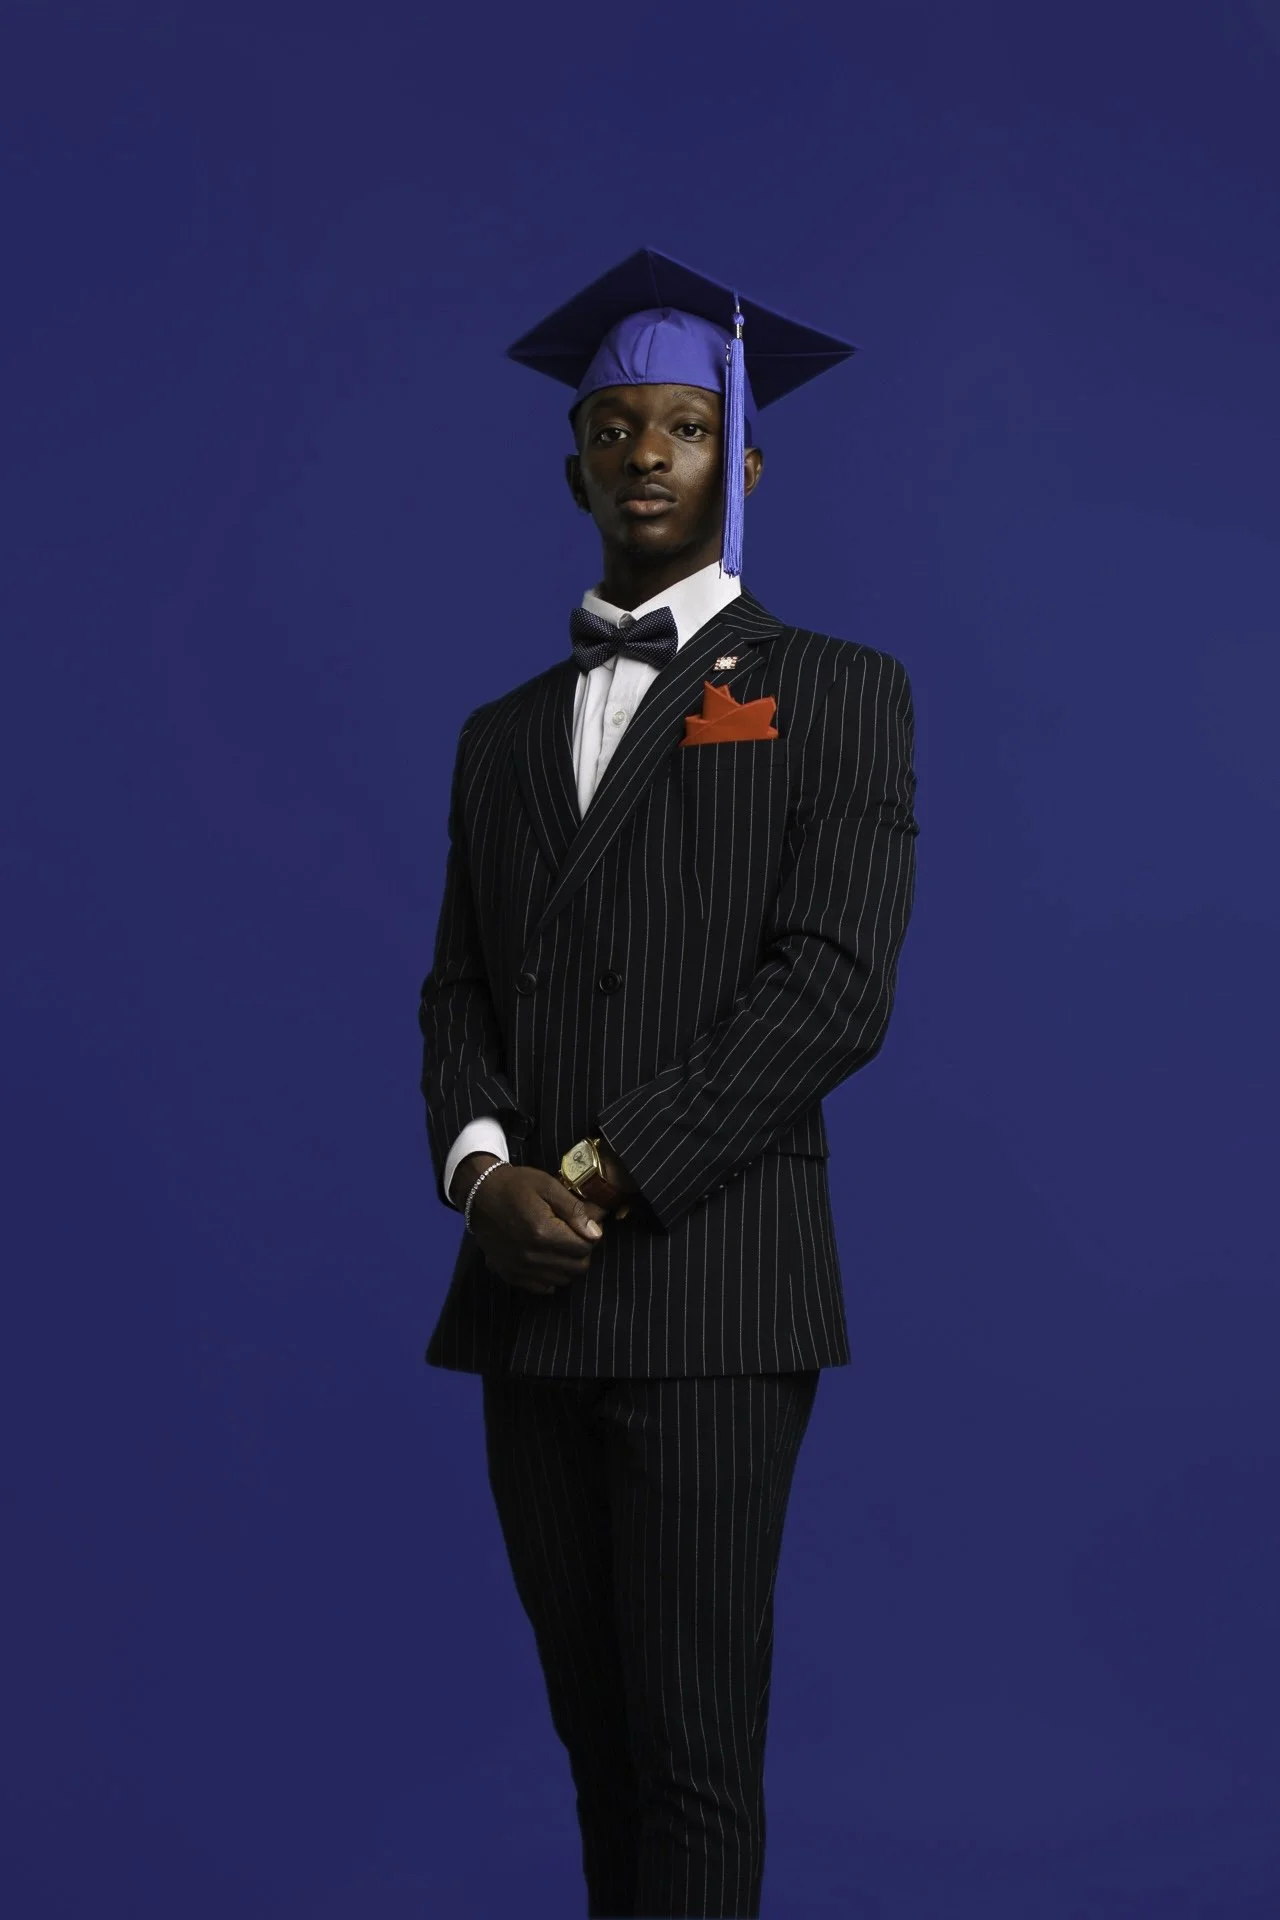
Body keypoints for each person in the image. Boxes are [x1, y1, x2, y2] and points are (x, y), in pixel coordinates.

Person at [417, 246, 920, 1920]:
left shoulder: (836, 694)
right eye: (616, 425)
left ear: (744, 463)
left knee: (696, 1758)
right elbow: (459, 989)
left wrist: (610, 1170)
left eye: (685, 428)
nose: (647, 453)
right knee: (596, 1745)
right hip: (524, 1287)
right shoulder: (499, 732)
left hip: (709, 1284)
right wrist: (487, 1179)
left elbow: (833, 991)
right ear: (573, 458)